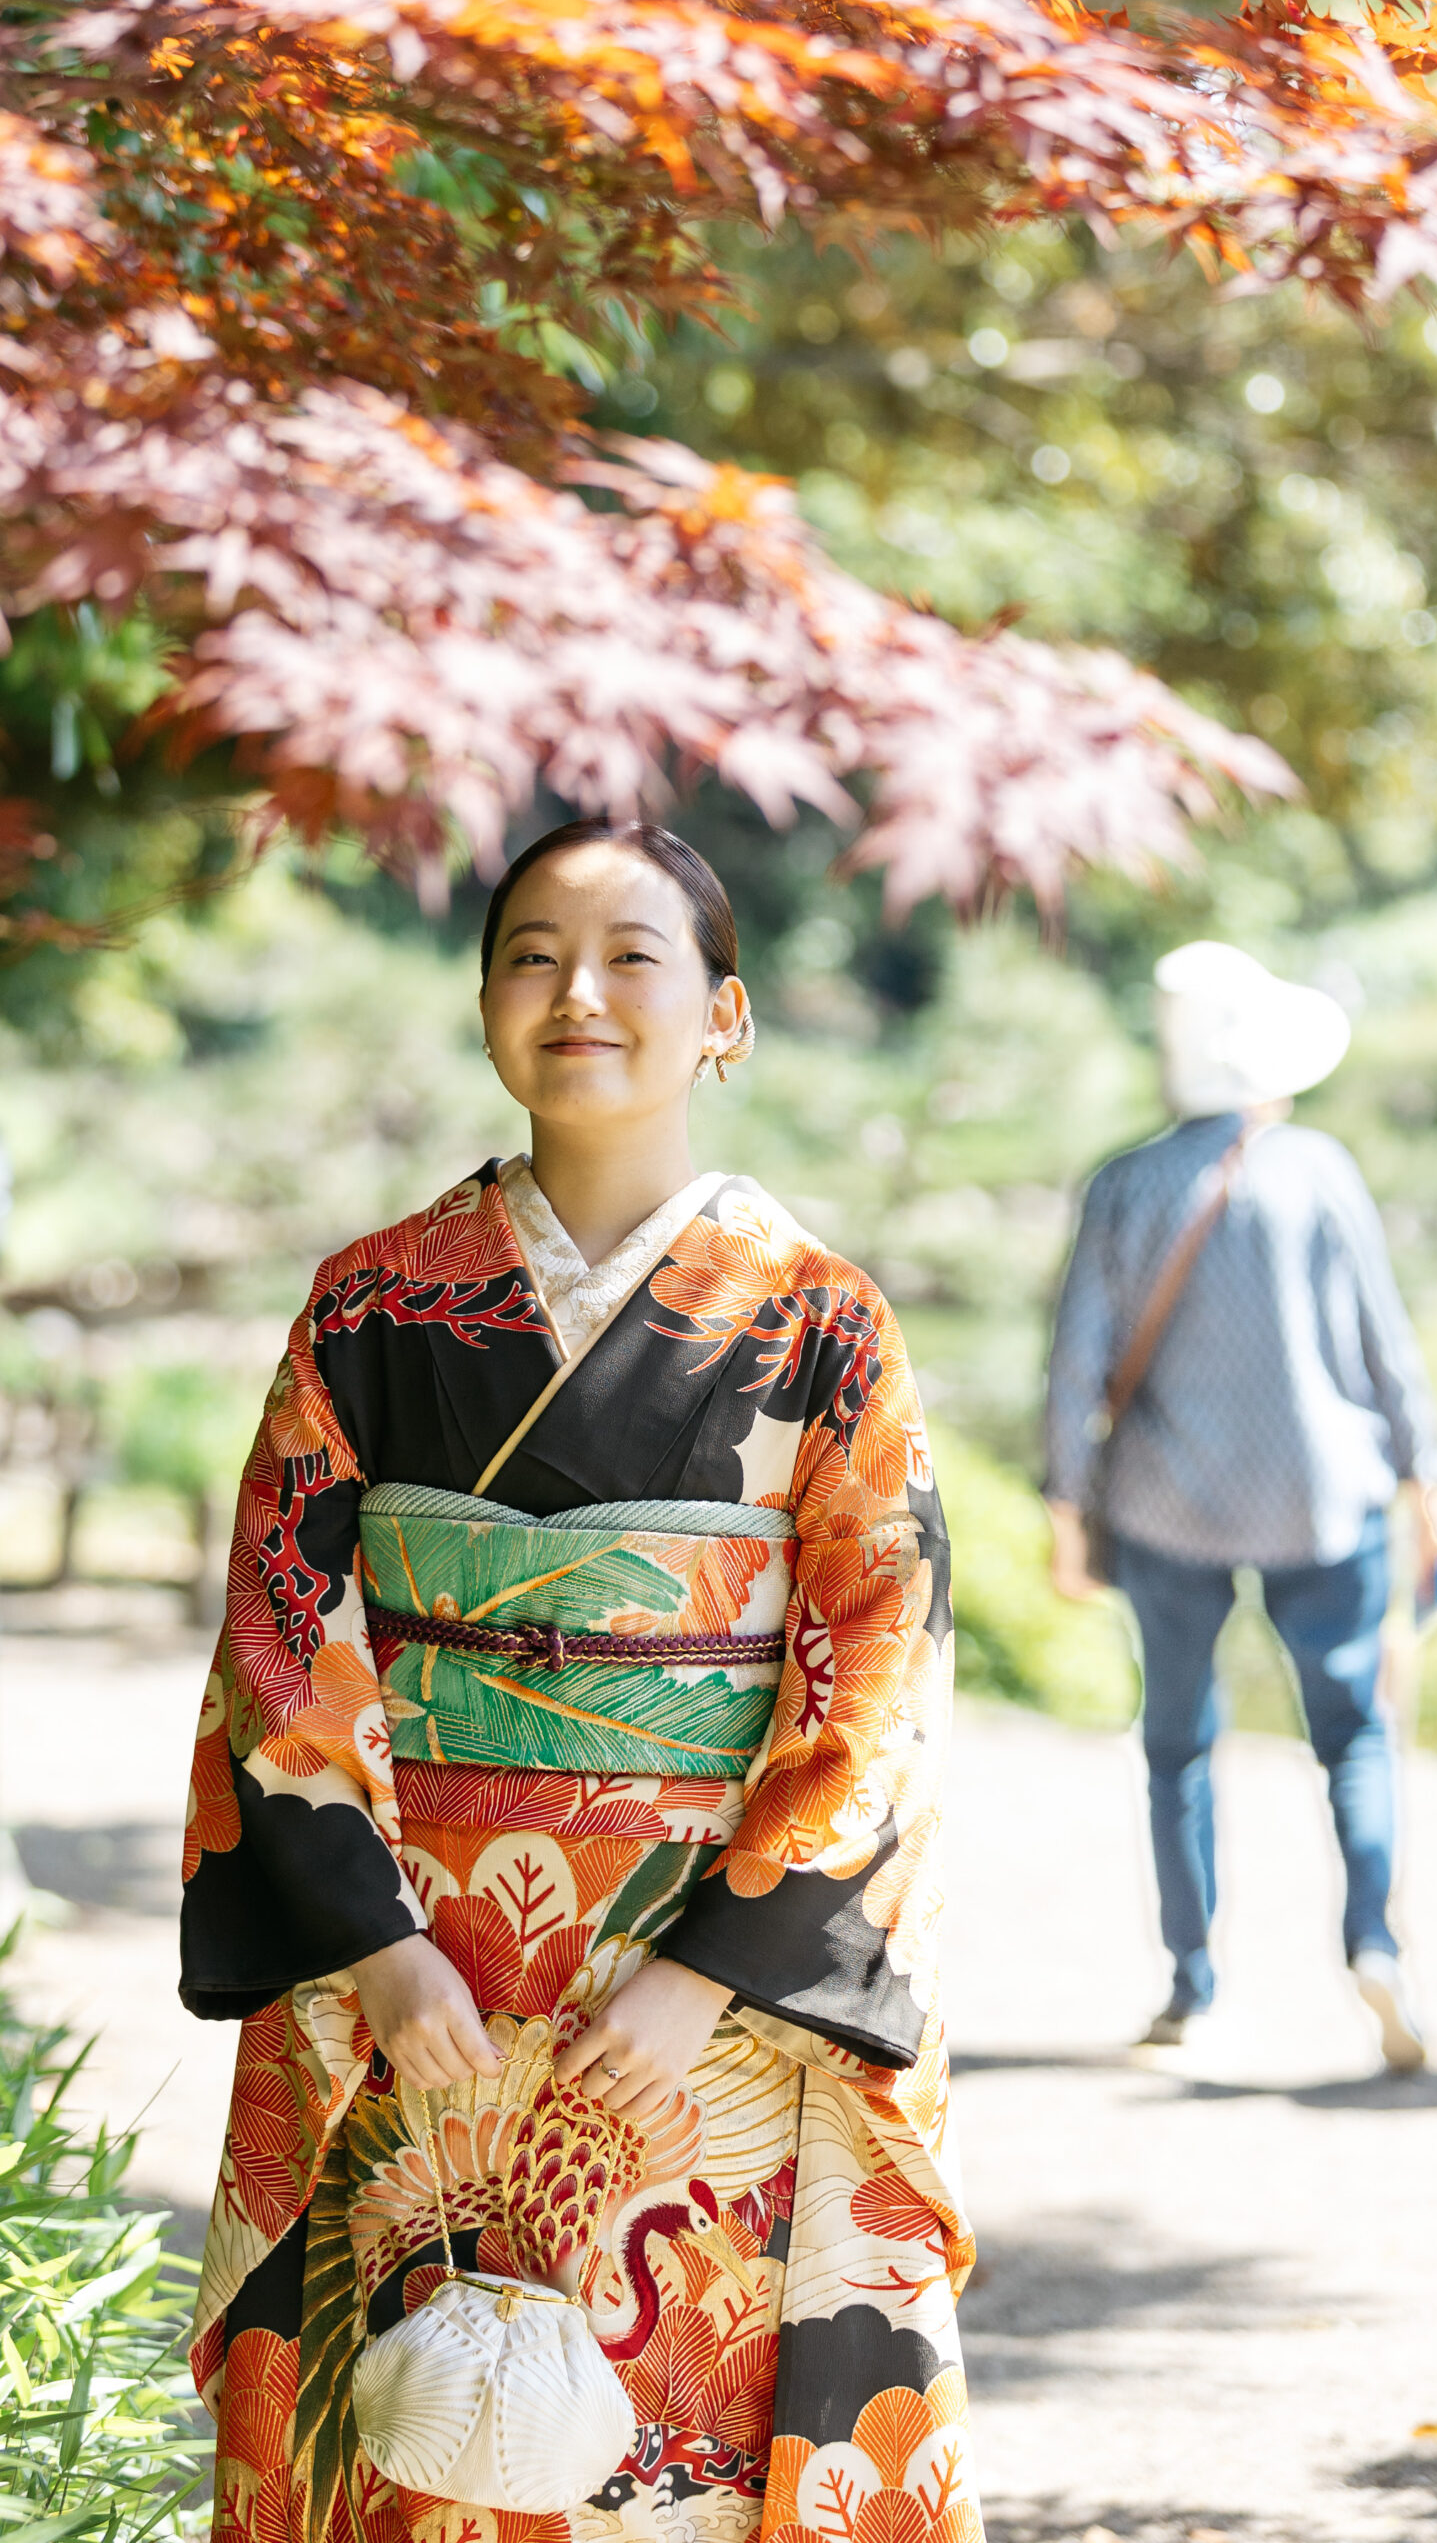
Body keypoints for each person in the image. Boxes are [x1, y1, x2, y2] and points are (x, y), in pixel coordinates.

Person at [180, 820, 982, 2543]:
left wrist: (708, 1973)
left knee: (695, 2432)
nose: (579, 993)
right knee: (402, 2443)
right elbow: (277, 1642)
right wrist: (384, 1957)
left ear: (726, 1017)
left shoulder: (816, 1319)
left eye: (634, 955)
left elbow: (877, 1677)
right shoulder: (370, 1308)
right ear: (482, 1005)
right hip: (414, 1984)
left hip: (710, 1997)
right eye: (532, 955)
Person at [1044, 941, 1437, 2069]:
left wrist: (1064, 1516)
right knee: (1355, 1736)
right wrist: (1432, 1488)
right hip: (1322, 1499)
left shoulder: (1126, 1183)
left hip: (1163, 1504)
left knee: (1179, 1744)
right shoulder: (1319, 1170)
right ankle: (1375, 1944)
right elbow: (1388, 1345)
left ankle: (1191, 1989)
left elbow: (1075, 1364)